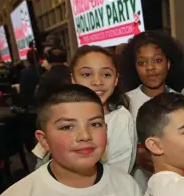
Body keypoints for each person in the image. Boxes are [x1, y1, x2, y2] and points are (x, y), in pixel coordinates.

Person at [2, 84, 142, 196]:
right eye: (68, 127)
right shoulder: (21, 192)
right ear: (44, 140)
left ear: (106, 129)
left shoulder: (126, 186)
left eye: (95, 124)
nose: (85, 135)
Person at [32, 46, 138, 174]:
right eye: (87, 74)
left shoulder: (121, 119)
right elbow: (41, 161)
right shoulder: (59, 112)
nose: (97, 81)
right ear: (73, 78)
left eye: (106, 74)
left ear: (116, 79)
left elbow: (116, 177)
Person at [121, 31, 184, 190]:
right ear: (134, 67)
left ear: (168, 63)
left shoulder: (182, 101)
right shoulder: (125, 103)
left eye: (157, 60)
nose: (150, 68)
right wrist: (135, 157)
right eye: (142, 63)